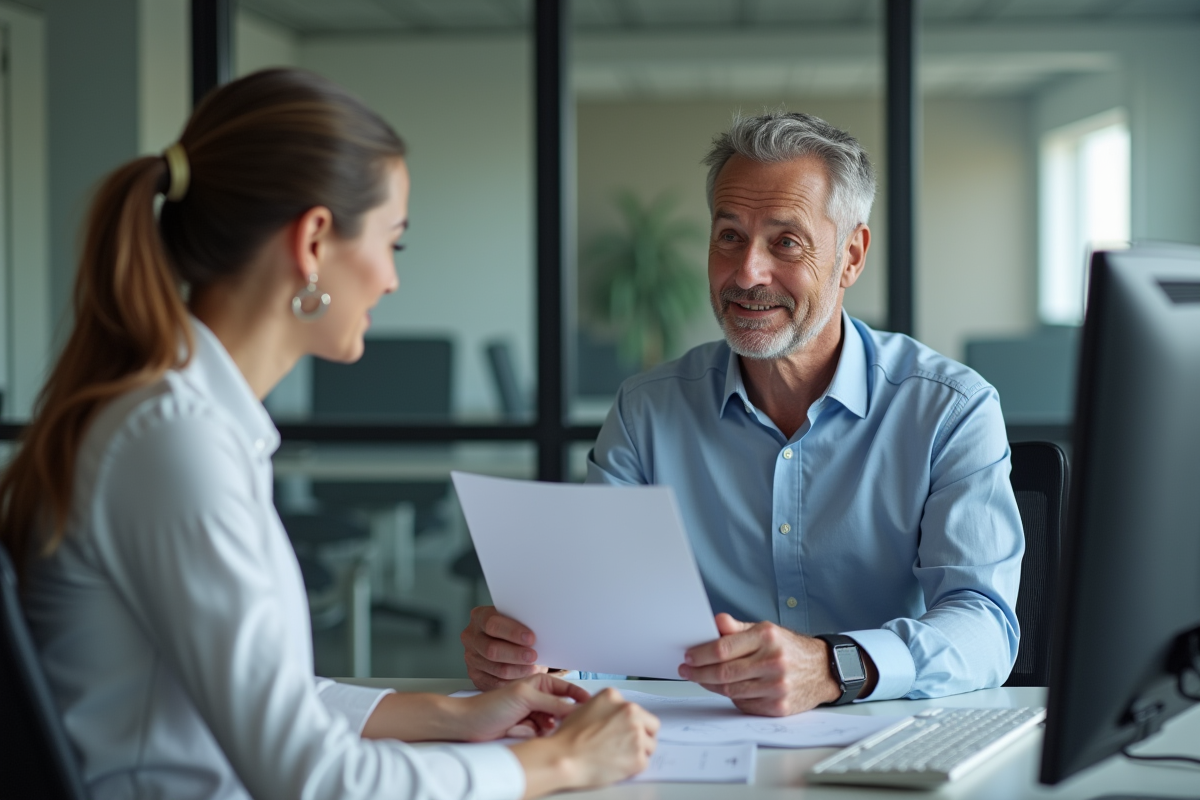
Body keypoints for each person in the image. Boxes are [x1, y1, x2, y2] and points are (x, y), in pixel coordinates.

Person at [0, 68, 657, 800]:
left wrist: (456, 715)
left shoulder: (186, 424)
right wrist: (561, 764)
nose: (391, 280)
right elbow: (312, 778)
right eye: (393, 243)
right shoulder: (171, 443)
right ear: (313, 241)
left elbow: (269, 700)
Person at [461, 111, 1024, 717]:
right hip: (690, 743)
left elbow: (985, 625)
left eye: (786, 241)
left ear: (852, 256)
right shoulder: (645, 412)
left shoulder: (949, 410)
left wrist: (835, 665)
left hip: (888, 735)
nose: (747, 272)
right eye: (729, 236)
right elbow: (600, 626)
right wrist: (541, 654)